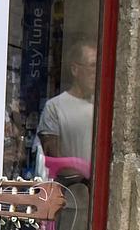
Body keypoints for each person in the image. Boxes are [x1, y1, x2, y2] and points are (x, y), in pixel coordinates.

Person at [38, 39, 97, 177]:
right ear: (75, 69)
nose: (97, 71)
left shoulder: (101, 107)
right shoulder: (55, 107)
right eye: (93, 65)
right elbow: (53, 159)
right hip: (68, 191)